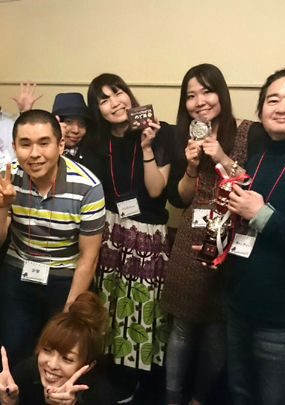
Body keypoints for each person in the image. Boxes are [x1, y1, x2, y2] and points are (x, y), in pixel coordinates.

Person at [220, 66, 285, 405]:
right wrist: (218, 247)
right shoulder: (259, 158)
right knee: (239, 394)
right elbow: (248, 226)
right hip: (241, 307)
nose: (282, 107)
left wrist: (262, 214)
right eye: (272, 100)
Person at [160, 64, 260, 405]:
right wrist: (190, 166)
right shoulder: (185, 136)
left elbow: (254, 183)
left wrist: (221, 156)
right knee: (182, 326)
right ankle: (172, 398)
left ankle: (200, 398)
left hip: (233, 237)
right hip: (191, 237)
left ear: (222, 94)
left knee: (220, 328)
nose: (200, 101)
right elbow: (180, 198)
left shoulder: (249, 131)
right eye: (191, 95)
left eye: (207, 91)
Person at [0, 109, 105, 365]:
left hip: (65, 275)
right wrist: (2, 207)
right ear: (14, 148)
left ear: (60, 145)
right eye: (25, 144)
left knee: (58, 353)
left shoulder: (88, 186)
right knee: (11, 350)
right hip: (18, 269)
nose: (34, 153)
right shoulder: (6, 178)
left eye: (44, 143)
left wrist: (70, 309)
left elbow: (89, 257)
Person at [87, 73, 174, 401]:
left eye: (118, 92)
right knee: (108, 307)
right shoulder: (97, 142)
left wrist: (147, 147)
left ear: (128, 93)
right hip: (110, 231)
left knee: (139, 308)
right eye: (104, 100)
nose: (115, 103)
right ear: (98, 110)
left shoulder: (159, 132)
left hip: (146, 235)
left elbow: (156, 190)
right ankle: (110, 377)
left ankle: (136, 381)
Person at [0, 291, 114, 405]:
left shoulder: (99, 396)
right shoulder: (26, 374)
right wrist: (10, 402)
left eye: (67, 359)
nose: (52, 365)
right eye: (47, 350)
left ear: (88, 366)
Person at [51, 92, 101, 178]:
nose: (76, 130)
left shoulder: (93, 156)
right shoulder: (43, 152)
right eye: (69, 121)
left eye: (82, 123)